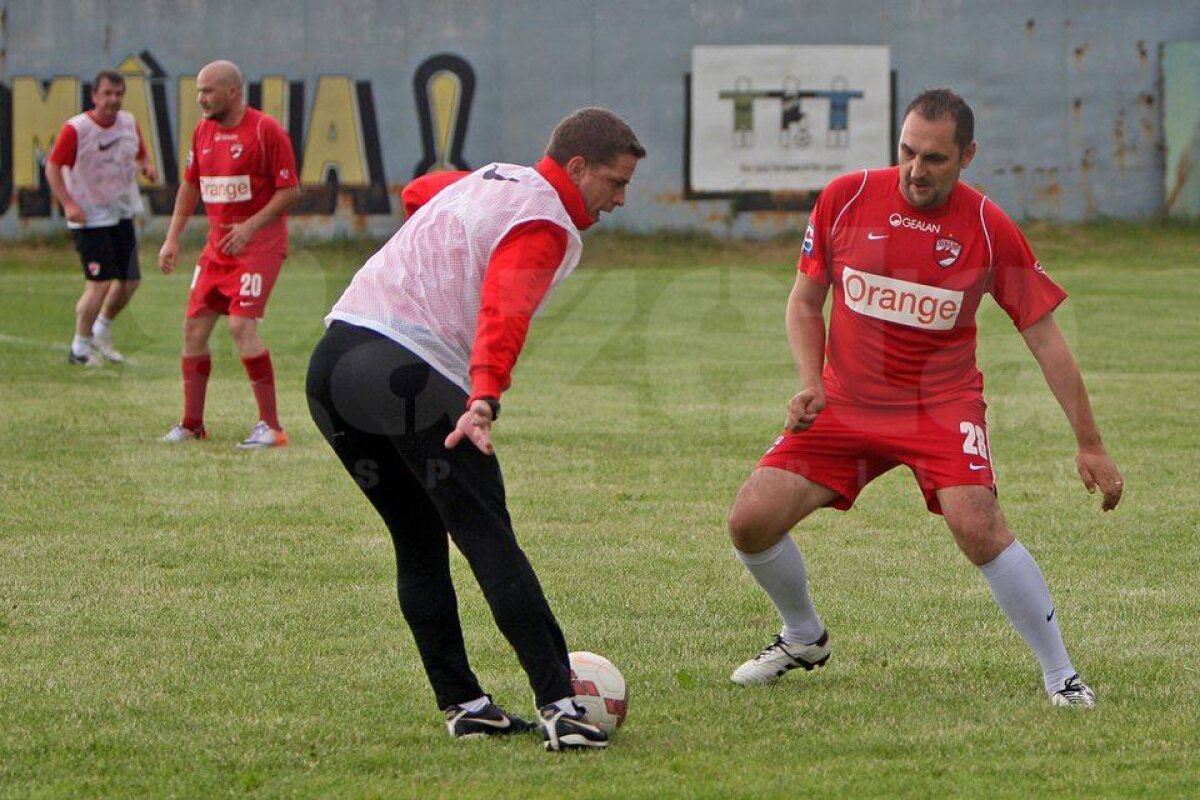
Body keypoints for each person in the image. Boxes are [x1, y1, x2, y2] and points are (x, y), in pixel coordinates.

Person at [726, 89, 1123, 707]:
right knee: (750, 522)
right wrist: (810, 383)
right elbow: (805, 301)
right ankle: (803, 636)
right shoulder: (847, 197)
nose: (916, 171)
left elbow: (1044, 339)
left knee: (979, 526)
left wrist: (1090, 442)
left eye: (935, 159)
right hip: (845, 403)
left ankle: (1061, 674)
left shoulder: (989, 229)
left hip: (941, 409)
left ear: (968, 155)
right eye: (907, 152)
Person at [305, 108, 644, 749]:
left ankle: (465, 704)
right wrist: (484, 396)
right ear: (577, 168)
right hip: (408, 371)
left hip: (333, 365)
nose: (620, 200)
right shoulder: (543, 219)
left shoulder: (489, 178)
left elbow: (419, 193)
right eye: (615, 182)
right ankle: (562, 707)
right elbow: (504, 309)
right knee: (489, 537)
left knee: (418, 535)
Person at [157, 59, 300, 448]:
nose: (200, 98)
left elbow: (290, 190)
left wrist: (250, 226)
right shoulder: (202, 131)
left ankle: (271, 426)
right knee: (193, 330)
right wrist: (172, 239)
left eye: (207, 90)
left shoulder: (265, 130)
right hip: (217, 249)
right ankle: (191, 424)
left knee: (240, 326)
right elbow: (190, 187)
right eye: (199, 91)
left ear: (232, 91)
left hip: (260, 247)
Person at [46, 70, 157, 366]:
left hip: (120, 212)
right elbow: (53, 167)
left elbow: (141, 154)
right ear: (94, 96)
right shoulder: (77, 129)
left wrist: (147, 166)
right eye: (107, 93)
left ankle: (100, 330)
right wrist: (68, 203)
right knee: (100, 283)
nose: (113, 99)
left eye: (118, 93)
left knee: (130, 281)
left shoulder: (129, 123)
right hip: (89, 217)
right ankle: (79, 349)